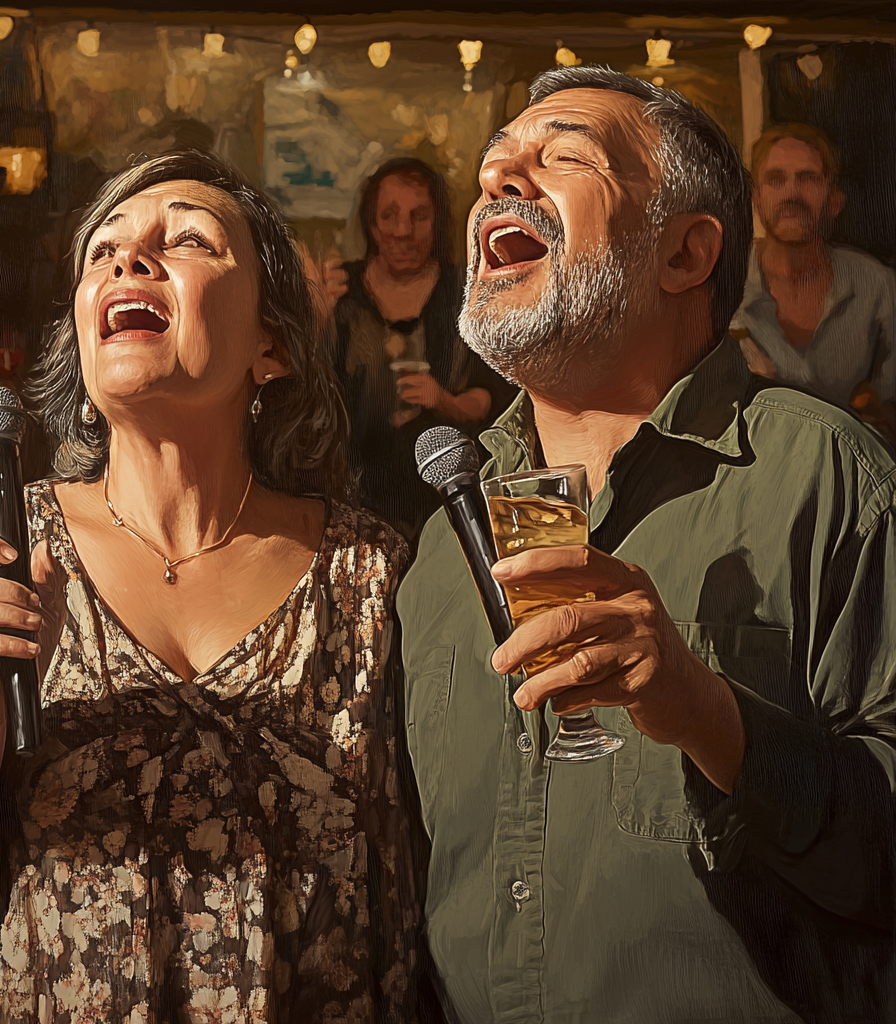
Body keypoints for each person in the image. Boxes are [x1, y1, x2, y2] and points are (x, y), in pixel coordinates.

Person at [0, 152, 424, 1023]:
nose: (129, 261)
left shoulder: (372, 578)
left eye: (191, 241)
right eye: (105, 251)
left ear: (271, 345)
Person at [398, 67, 896, 1024]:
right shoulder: (439, 550)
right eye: (494, 167)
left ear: (685, 253)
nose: (502, 181)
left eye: (562, 159)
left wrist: (709, 711)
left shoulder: (827, 479)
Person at [331, 157, 515, 541]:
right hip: (352, 506)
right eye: (389, 215)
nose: (403, 231)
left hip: (448, 509)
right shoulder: (339, 295)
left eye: (420, 216)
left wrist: (444, 401)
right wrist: (311, 318)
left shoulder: (466, 291)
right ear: (370, 223)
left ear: (438, 223)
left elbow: (494, 395)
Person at [731, 123, 896, 441]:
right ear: (756, 200)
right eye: (776, 180)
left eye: (807, 179)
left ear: (834, 200)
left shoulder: (877, 287)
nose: (791, 194)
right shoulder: (724, 286)